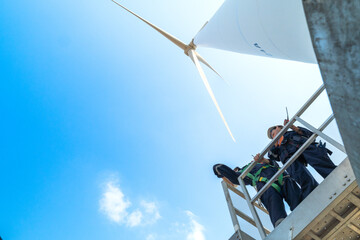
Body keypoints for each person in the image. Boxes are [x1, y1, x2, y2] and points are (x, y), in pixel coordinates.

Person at [213, 157, 301, 227]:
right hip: (266, 186)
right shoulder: (242, 174)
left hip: (282, 177)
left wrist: (263, 160)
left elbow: (274, 163)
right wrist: (221, 172)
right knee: (278, 218)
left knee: (300, 204)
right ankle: (283, 230)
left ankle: (302, 214)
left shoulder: (257, 163)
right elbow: (232, 177)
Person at [265, 119, 337, 200]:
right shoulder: (275, 147)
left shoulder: (291, 133)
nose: (274, 135)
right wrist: (276, 141)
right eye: (272, 136)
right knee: (301, 176)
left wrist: (292, 127)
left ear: (278, 127)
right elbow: (273, 157)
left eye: (273, 132)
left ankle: (336, 178)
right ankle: (315, 197)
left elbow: (310, 135)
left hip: (306, 149)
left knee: (319, 161)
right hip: (291, 161)